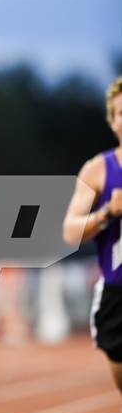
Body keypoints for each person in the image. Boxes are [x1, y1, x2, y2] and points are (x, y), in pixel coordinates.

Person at [63, 76, 122, 395]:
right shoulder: (98, 170)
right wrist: (106, 214)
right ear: (113, 121)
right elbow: (70, 232)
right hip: (116, 294)